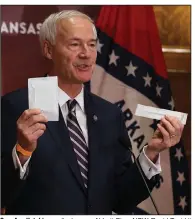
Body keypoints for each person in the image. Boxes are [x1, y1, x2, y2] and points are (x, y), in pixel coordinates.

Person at [1, 10, 184, 215]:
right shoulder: (16, 107)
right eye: (75, 44)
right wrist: (22, 151)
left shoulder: (109, 114)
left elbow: (121, 200)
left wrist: (151, 152)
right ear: (48, 49)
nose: (86, 53)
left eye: (91, 44)